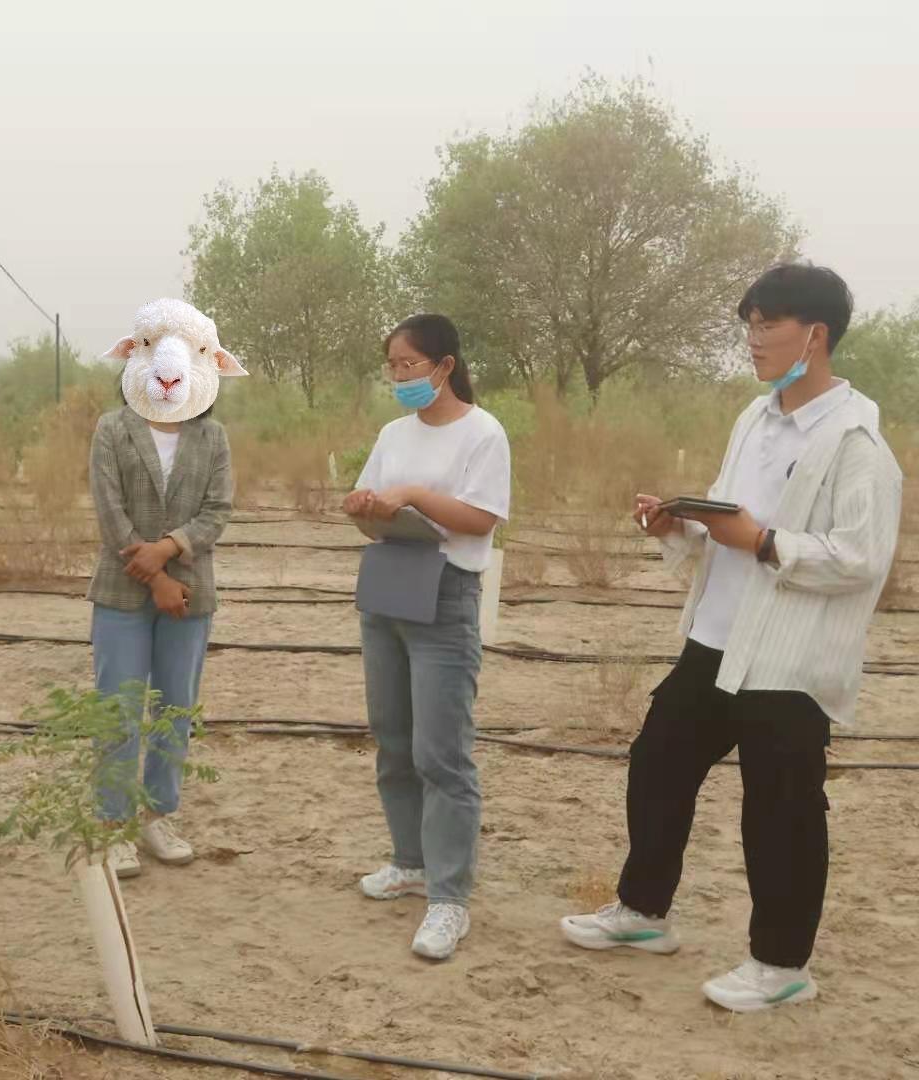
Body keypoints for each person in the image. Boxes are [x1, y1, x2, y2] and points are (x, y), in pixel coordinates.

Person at [561, 264, 903, 1013]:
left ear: (815, 335)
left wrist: (763, 540)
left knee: (779, 805)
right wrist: (682, 522)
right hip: (717, 636)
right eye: (747, 322)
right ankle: (645, 914)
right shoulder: (755, 418)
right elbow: (730, 518)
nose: (752, 339)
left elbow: (862, 557)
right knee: (657, 763)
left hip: (787, 655)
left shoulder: (855, 444)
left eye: (767, 324)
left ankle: (782, 966)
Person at [344, 313, 511, 961]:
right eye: (391, 366)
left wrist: (411, 494)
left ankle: (449, 898)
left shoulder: (483, 433)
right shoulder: (392, 433)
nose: (399, 377)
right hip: (387, 584)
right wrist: (365, 508)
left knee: (442, 754)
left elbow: (481, 517)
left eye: (409, 365)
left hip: (445, 596)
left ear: (444, 367)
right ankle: (408, 862)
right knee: (393, 739)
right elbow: (369, 503)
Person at [88, 298, 243, 877]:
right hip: (124, 592)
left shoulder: (213, 437)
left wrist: (170, 550)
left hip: (191, 597)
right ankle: (111, 824)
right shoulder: (112, 431)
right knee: (120, 709)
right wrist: (155, 576)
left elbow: (218, 510)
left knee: (175, 708)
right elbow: (111, 515)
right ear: (136, 355)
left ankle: (157, 816)